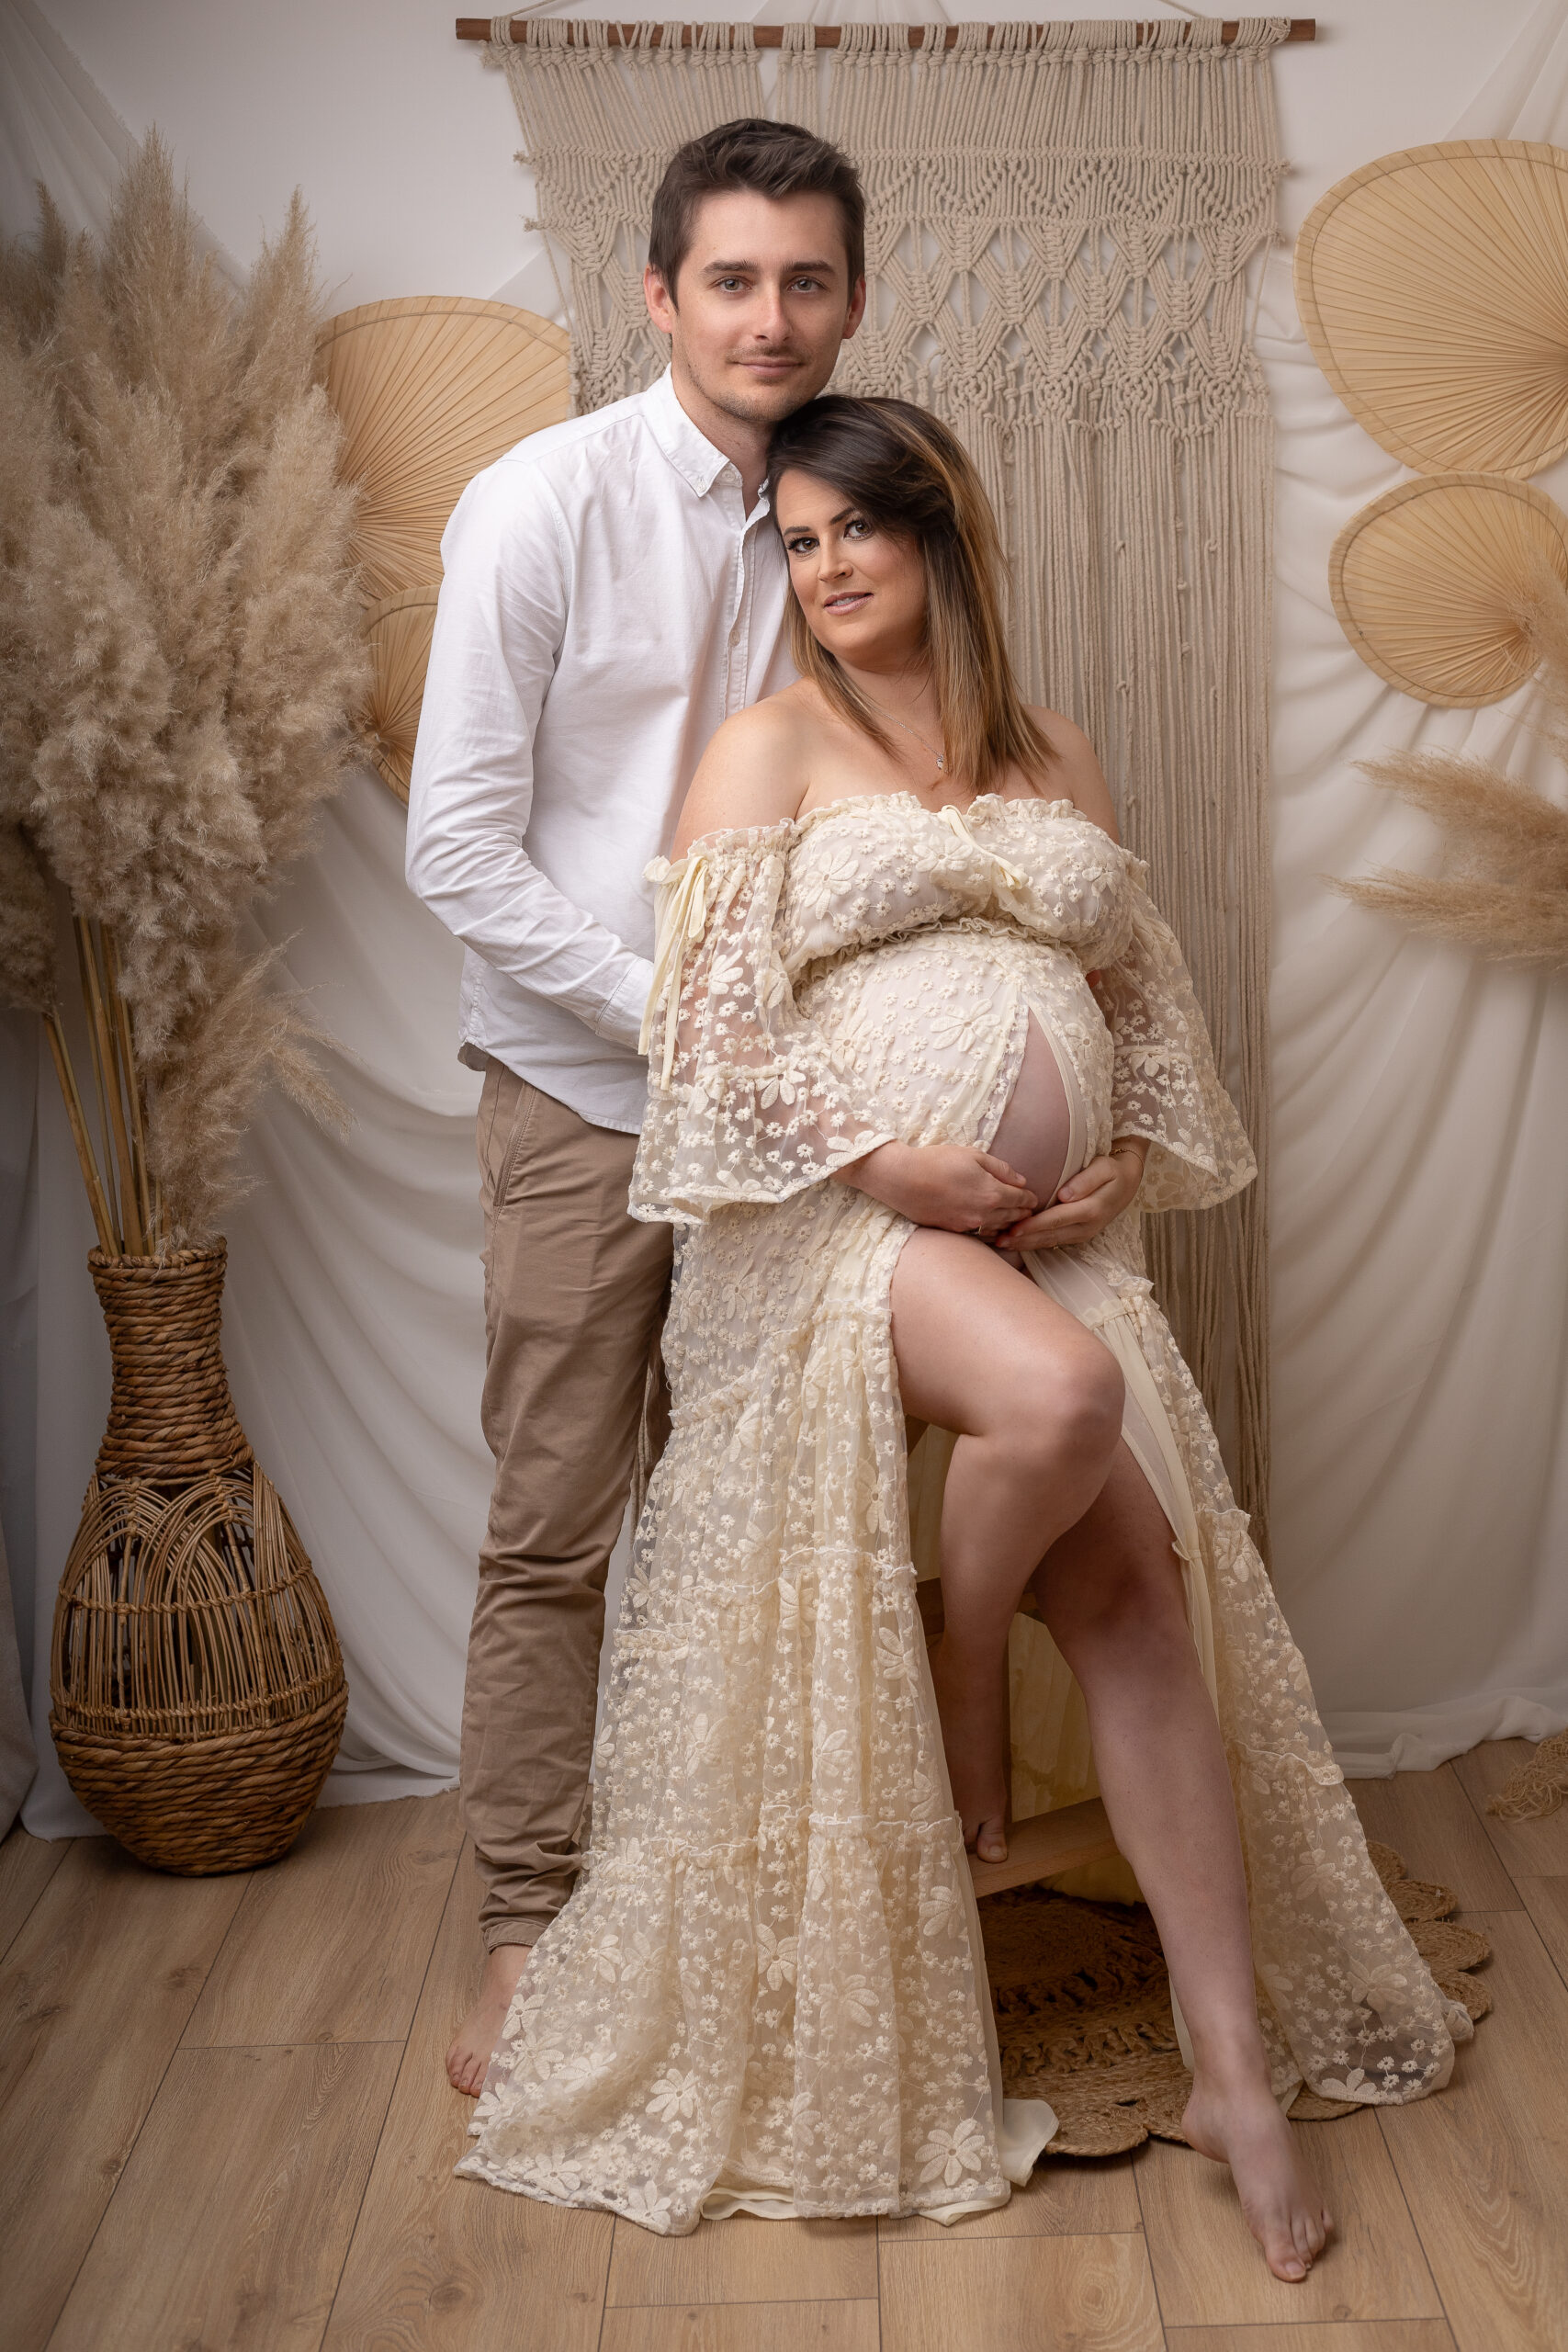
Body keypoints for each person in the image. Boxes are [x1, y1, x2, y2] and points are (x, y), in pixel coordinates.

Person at [457, 397, 1471, 2273]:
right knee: (1064, 1396)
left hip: (1031, 1235)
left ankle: (1231, 2073)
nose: (828, 566)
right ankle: (964, 1664)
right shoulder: (767, 744)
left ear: (940, 532)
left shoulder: (1052, 747)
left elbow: (1132, 999)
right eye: (798, 539)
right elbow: (710, 1027)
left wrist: (1123, 1154)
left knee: (1138, 1586)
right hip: (832, 1227)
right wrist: (880, 1154)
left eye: (859, 528)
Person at [405, 119, 867, 2098]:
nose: (770, 317)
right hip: (587, 1093)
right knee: (557, 1522)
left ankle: (732, 1896)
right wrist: (679, 1023)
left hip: (799, 1110)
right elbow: (455, 849)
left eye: (805, 280)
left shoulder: (853, 505)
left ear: (850, 298)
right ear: (658, 294)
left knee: (762, 1516)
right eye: (732, 280)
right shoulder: (541, 502)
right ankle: (526, 1924)